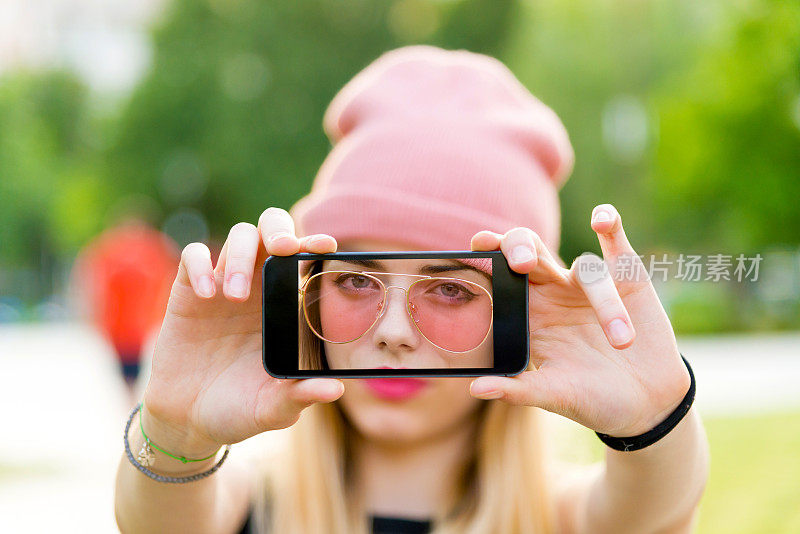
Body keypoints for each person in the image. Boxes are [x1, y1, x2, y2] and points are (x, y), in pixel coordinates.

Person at [114, 46, 709, 534]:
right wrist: (174, 435)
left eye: (451, 290)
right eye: (354, 280)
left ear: (520, 314)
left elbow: (655, 510)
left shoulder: (562, 517)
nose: (394, 333)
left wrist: (656, 420)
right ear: (309, 293)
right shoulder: (244, 504)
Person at [72, 218, 179, 401]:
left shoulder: (117, 248)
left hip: (135, 326)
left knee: (133, 372)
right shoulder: (116, 250)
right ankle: (133, 404)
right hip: (124, 326)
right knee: (130, 372)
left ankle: (132, 404)